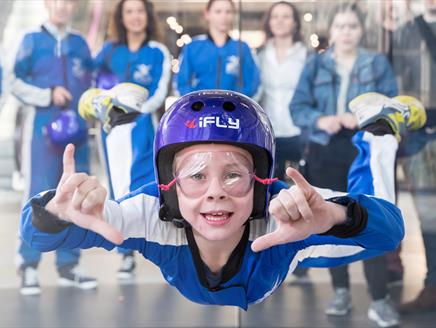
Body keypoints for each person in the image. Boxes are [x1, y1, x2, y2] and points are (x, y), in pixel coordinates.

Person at [20, 88, 426, 310]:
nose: (215, 190)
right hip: (158, 208)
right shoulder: (153, 212)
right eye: (196, 175)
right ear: (172, 186)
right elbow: (37, 236)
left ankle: (380, 131)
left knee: (366, 208)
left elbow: (388, 232)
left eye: (234, 174)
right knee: (122, 203)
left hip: (281, 250)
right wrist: (54, 212)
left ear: (262, 182)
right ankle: (120, 120)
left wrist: (338, 216)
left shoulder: (287, 215)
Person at [290, 3, 400, 327]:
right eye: (340, 27)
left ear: (361, 31)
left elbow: (391, 105)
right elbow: (297, 106)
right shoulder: (315, 65)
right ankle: (340, 291)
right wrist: (321, 119)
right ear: (332, 31)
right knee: (333, 221)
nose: (346, 32)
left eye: (352, 26)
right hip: (325, 149)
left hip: (363, 148)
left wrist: (363, 117)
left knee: (371, 218)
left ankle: (379, 299)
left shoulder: (376, 63)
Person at [10, 0, 96, 295]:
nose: (63, 6)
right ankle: (28, 265)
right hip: (41, 131)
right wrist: (47, 94)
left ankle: (68, 265)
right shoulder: (31, 40)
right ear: (47, 4)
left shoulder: (80, 44)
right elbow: (12, 81)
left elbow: (91, 82)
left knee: (76, 194)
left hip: (77, 133)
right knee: (37, 192)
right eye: (57, 0)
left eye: (69, 1)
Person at [93, 0, 171, 279]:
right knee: (118, 188)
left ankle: (161, 250)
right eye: (129, 11)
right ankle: (124, 253)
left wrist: (135, 109)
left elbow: (160, 91)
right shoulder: (108, 51)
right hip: (112, 131)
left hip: (144, 128)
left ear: (147, 16)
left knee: (149, 188)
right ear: (121, 17)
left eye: (140, 11)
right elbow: (95, 86)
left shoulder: (157, 51)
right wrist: (104, 108)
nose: (135, 17)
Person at [392, 0, 436, 313]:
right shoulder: (407, 31)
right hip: (421, 133)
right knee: (428, 213)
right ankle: (432, 285)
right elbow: (398, 82)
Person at [257, 1, 306, 180]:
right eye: (275, 16)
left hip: (298, 131)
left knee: (299, 185)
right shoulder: (260, 55)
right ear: (269, 22)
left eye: (286, 17)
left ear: (295, 23)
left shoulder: (305, 55)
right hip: (269, 130)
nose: (280, 21)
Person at [173, 0, 260, 98]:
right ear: (207, 14)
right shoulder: (193, 47)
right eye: (218, 11)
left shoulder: (242, 48)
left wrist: (237, 102)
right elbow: (181, 83)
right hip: (200, 110)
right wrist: (196, 104)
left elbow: (254, 83)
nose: (224, 16)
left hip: (233, 110)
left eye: (228, 12)